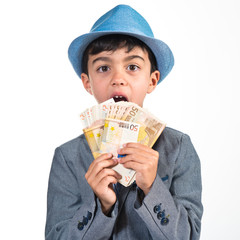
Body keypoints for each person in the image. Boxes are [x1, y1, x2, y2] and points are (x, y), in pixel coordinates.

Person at [45, 4, 203, 240]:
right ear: (87, 83)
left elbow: (188, 236)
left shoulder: (179, 148)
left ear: (152, 80)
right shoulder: (67, 157)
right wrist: (102, 205)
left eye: (132, 67)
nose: (118, 79)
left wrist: (152, 189)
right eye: (103, 67)